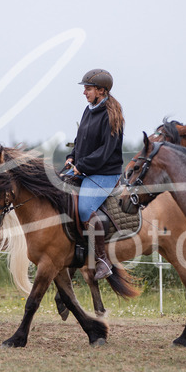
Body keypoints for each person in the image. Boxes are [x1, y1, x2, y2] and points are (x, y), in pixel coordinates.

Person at [63, 68, 124, 281]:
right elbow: (80, 139)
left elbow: (105, 151)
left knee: (84, 208)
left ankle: (103, 260)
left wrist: (82, 166)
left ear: (101, 90)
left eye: (88, 89)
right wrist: (72, 157)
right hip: (85, 168)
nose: (84, 92)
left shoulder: (111, 115)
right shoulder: (88, 109)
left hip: (105, 173)